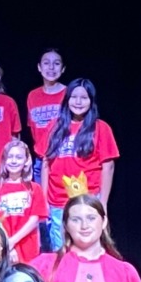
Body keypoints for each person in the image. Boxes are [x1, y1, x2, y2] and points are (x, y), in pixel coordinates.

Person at [43, 79, 119, 211]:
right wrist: (43, 200)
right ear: (67, 99)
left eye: (84, 98)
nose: (78, 102)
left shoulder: (101, 127)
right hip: (57, 202)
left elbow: (108, 167)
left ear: (91, 101)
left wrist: (103, 202)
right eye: (74, 97)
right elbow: (46, 163)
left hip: (89, 200)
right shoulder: (54, 126)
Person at [0, 138, 47, 267]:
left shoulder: (35, 188)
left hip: (28, 249)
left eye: (19, 157)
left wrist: (12, 242)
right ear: (4, 160)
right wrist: (8, 246)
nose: (14, 161)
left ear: (26, 161)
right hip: (3, 247)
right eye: (10, 157)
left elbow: (34, 220)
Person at [24, 49, 69, 159]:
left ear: (63, 68)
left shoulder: (69, 93)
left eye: (56, 63)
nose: (51, 67)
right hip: (41, 158)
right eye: (46, 63)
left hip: (64, 157)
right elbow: (33, 128)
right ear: (39, 67)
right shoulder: (32, 96)